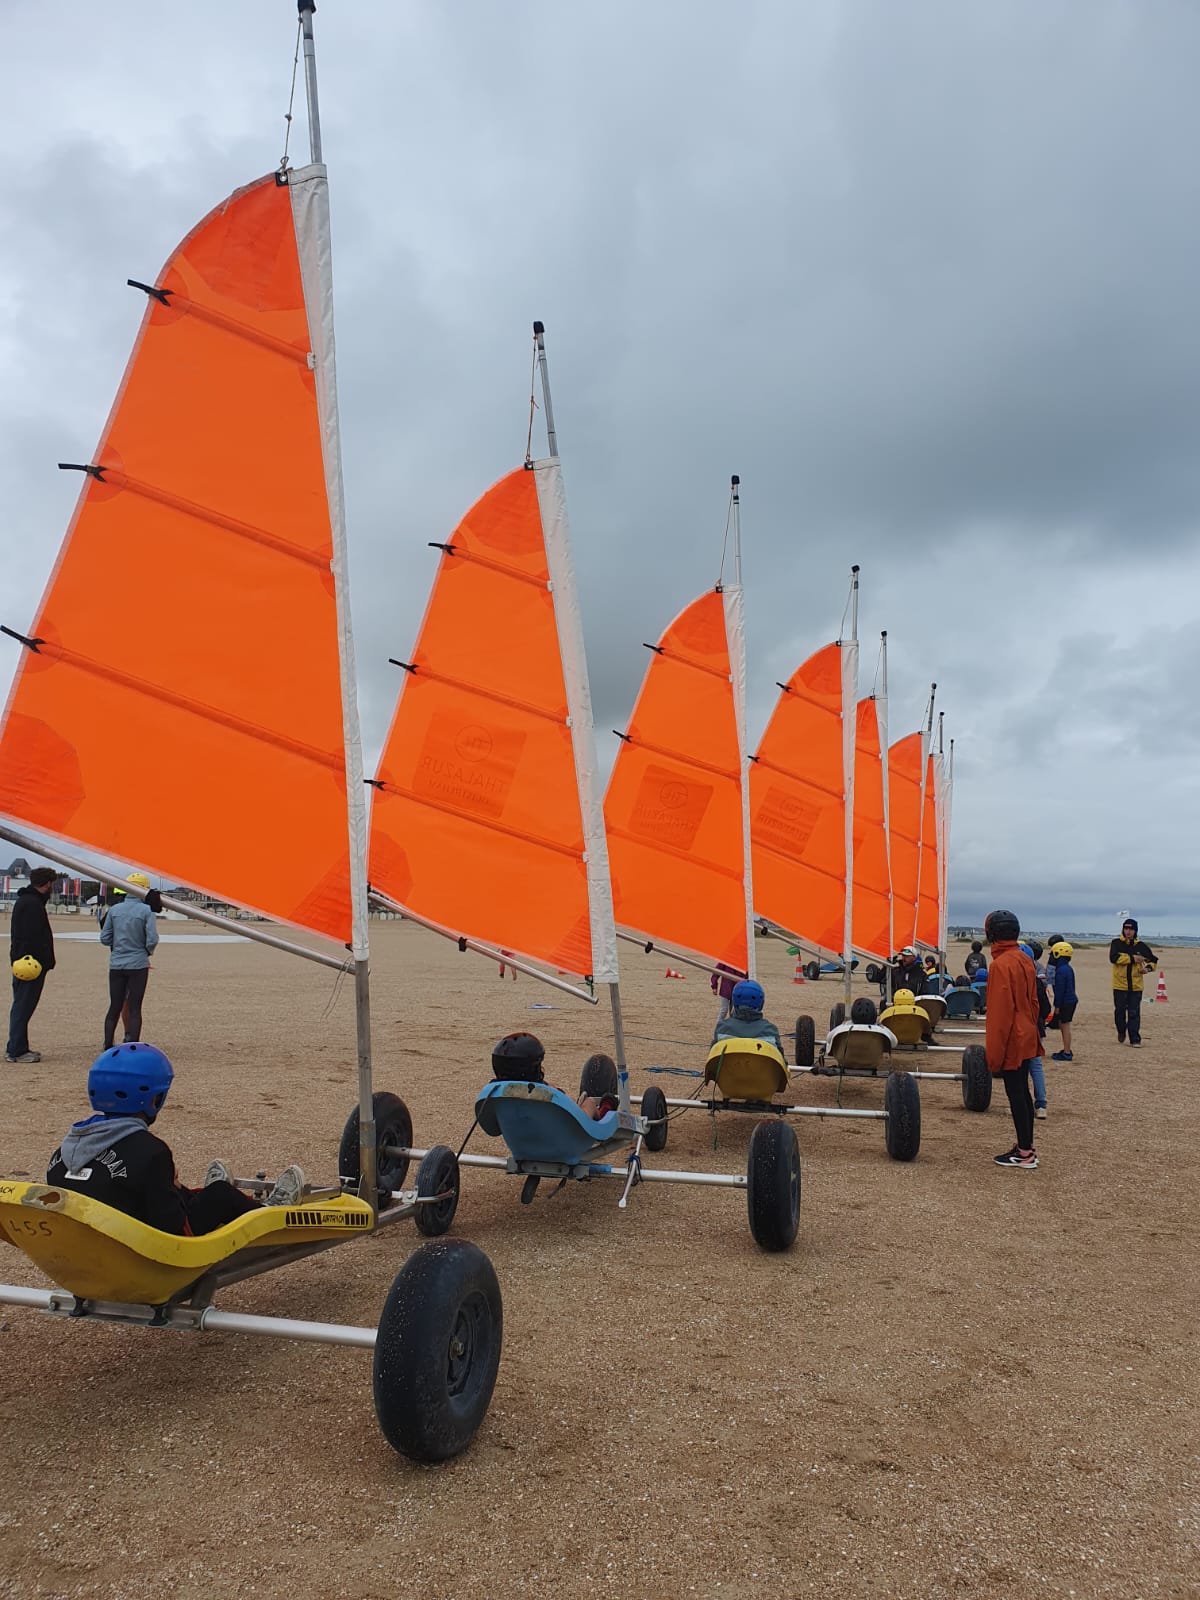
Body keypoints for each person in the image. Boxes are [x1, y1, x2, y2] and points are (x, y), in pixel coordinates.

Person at [47, 1043, 304, 1235]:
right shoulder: (151, 1152)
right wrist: (180, 1194)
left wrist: (172, 1188)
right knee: (220, 1195)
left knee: (164, 1188)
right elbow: (171, 1226)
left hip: (95, 1243)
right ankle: (271, 1213)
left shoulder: (61, 1155)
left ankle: (198, 1192)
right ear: (154, 1099)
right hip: (147, 1249)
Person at [983, 908, 1042, 1168]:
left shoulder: (1000, 965)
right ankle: (1026, 1147)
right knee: (1023, 1092)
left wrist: (994, 1057)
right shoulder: (1024, 958)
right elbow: (1034, 1002)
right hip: (1027, 1032)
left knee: (1016, 1093)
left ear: (992, 934)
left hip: (1013, 1037)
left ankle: (1025, 1152)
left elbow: (1000, 1015)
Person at [100, 870, 159, 1050]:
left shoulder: (114, 910)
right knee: (135, 1007)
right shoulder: (147, 911)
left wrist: (118, 946)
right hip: (138, 964)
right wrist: (146, 952)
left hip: (117, 963)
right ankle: (133, 1046)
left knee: (114, 1006)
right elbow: (152, 939)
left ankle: (107, 1044)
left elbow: (104, 938)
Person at [7, 866, 57, 1064]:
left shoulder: (27, 901)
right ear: (47, 884)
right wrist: (43, 959)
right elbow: (32, 937)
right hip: (30, 964)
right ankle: (16, 1050)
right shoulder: (32, 904)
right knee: (23, 1006)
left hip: (25, 961)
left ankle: (18, 1047)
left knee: (22, 1005)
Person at [1109, 918, 1156, 1047]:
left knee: (1134, 1012)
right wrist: (1132, 958)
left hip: (1136, 985)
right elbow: (1113, 958)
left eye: (1131, 929)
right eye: (1126, 928)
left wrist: (1147, 969)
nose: (1128, 931)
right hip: (1120, 984)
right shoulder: (1116, 943)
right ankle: (1121, 1031)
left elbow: (1153, 960)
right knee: (1119, 1011)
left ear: (1135, 931)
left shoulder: (1141, 946)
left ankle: (1135, 1039)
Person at [1018, 943, 1049, 1118]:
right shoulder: (1037, 982)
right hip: (1036, 1028)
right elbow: (1046, 1008)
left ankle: (1023, 1104)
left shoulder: (1014, 982)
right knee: (1036, 1066)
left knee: (1019, 1066)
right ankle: (1041, 1104)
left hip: (1019, 1029)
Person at [713, 980, 784, 1055]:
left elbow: (713, 1057)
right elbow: (780, 1059)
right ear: (761, 1004)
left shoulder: (722, 1028)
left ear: (734, 1002)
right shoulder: (770, 1030)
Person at [1048, 941, 1078, 1062]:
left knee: (1065, 1026)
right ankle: (1067, 1050)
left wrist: (1057, 1006)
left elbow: (1060, 991)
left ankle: (1067, 1052)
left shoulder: (1060, 971)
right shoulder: (1068, 968)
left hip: (1065, 1002)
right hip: (1071, 1000)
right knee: (1064, 1025)